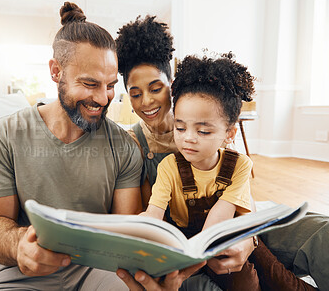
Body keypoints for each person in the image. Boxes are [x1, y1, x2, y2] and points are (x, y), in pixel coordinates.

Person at [0, 2, 205, 291]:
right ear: (56, 71)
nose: (104, 98)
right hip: (22, 270)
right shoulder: (6, 134)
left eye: (109, 85)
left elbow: (128, 231)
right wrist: (19, 244)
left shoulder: (124, 147)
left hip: (101, 268)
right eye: (89, 83)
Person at [116, 16, 325, 290]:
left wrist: (247, 238)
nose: (147, 101)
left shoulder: (216, 126)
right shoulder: (137, 145)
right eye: (135, 94)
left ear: (172, 84)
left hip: (235, 219)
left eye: (156, 89)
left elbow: (238, 191)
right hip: (185, 237)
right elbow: (150, 213)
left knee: (312, 240)